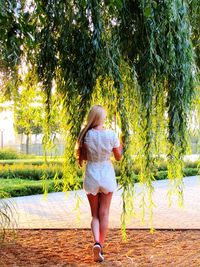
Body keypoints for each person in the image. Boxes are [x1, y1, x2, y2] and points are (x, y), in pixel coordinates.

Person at [77, 105, 123, 262]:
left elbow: (82, 159)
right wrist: (121, 143)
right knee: (104, 213)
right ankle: (100, 246)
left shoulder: (85, 136)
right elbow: (118, 157)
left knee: (95, 215)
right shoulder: (111, 134)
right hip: (107, 175)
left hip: (92, 175)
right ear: (102, 118)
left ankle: (96, 242)